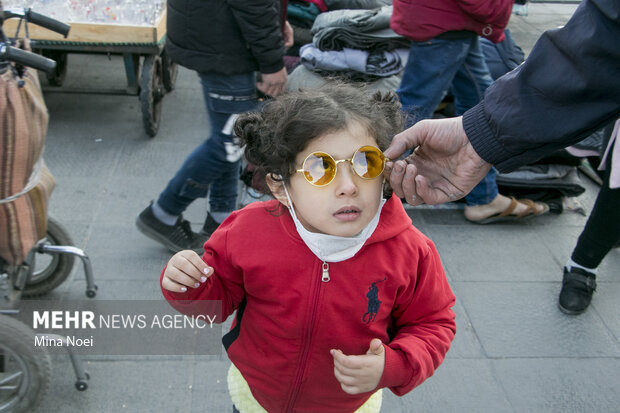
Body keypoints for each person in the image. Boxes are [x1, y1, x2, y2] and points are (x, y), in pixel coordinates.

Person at [160, 84, 456, 412]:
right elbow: (215, 305)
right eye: (321, 168)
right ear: (281, 186)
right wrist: (189, 284)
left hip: (348, 406)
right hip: (256, 400)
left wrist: (395, 364)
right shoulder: (246, 231)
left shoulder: (411, 252)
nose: (348, 187)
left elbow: (433, 322)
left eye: (365, 163)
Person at [384, 0, 620, 314]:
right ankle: (582, 263)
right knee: (419, 104)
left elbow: (434, 330)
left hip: (449, 23)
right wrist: (480, 132)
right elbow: (602, 41)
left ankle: (482, 196)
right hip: (448, 22)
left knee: (472, 90)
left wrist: (481, 134)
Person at [136, 0, 294, 252]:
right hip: (226, 43)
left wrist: (277, 19)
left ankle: (220, 220)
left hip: (221, 35)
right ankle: (163, 214)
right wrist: (272, 62)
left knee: (233, 138)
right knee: (228, 144)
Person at [390, 0, 549, 224]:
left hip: (448, 17)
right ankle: (372, 185)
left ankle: (483, 196)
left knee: (481, 102)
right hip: (447, 19)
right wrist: (497, 9)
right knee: (414, 107)